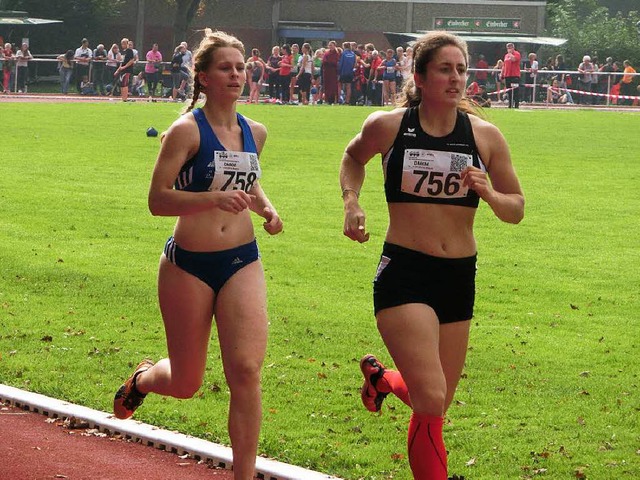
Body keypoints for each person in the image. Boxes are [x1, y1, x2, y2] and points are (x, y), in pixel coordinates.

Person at [339, 31, 524, 480]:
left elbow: (515, 209)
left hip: (458, 276)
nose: (456, 77)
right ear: (420, 77)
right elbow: (352, 157)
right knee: (430, 398)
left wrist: (488, 191)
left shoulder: (485, 137)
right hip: (405, 272)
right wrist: (352, 202)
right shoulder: (388, 125)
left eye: (461, 69)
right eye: (445, 68)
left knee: (435, 399)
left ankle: (382, 381)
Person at [113, 29, 282, 480]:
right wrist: (211, 199)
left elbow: (247, 179)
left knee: (245, 372)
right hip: (188, 264)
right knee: (186, 383)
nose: (235, 74)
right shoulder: (186, 131)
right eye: (225, 68)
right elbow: (157, 199)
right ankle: (143, 379)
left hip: (242, 259)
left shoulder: (255, 132)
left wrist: (266, 208)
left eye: (241, 67)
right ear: (203, 77)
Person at [501, 42, 521, 108]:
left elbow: (514, 59)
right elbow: (504, 65)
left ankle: (516, 105)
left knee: (515, 91)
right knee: (509, 91)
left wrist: (510, 54)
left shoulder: (517, 54)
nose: (509, 49)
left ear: (513, 48)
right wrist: (502, 73)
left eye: (510, 48)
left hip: (515, 75)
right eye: (508, 48)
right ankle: (510, 104)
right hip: (507, 75)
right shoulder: (506, 56)